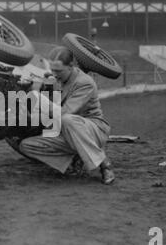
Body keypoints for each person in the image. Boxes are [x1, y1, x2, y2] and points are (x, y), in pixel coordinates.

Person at [19, 46, 115, 185]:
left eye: (58, 71)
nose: (54, 74)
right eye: (52, 70)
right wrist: (33, 89)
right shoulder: (55, 79)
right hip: (66, 134)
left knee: (67, 119)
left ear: (71, 66)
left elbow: (65, 112)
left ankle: (104, 165)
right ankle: (72, 162)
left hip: (92, 130)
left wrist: (41, 100)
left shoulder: (84, 82)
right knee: (27, 145)